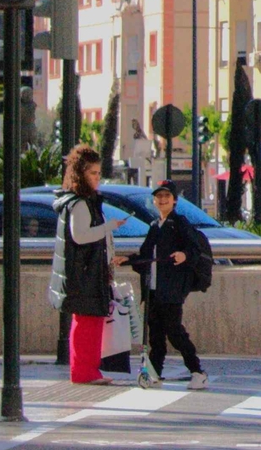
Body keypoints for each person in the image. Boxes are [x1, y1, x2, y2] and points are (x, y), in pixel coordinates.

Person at [130, 182, 209, 389]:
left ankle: (198, 371)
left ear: (174, 200)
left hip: (172, 289)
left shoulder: (179, 223)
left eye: (167, 196)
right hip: (153, 289)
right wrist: (128, 260)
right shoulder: (155, 225)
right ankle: (154, 373)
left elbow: (194, 249)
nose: (163, 200)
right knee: (155, 335)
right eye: (159, 196)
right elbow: (146, 256)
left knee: (175, 332)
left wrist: (184, 255)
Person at [55, 144, 117, 385]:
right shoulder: (80, 203)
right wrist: (109, 227)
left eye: (99, 173)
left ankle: (88, 370)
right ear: (81, 174)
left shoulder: (82, 201)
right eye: (92, 173)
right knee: (87, 323)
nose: (97, 178)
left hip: (87, 271)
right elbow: (80, 236)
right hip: (85, 273)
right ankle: (84, 372)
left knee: (89, 322)